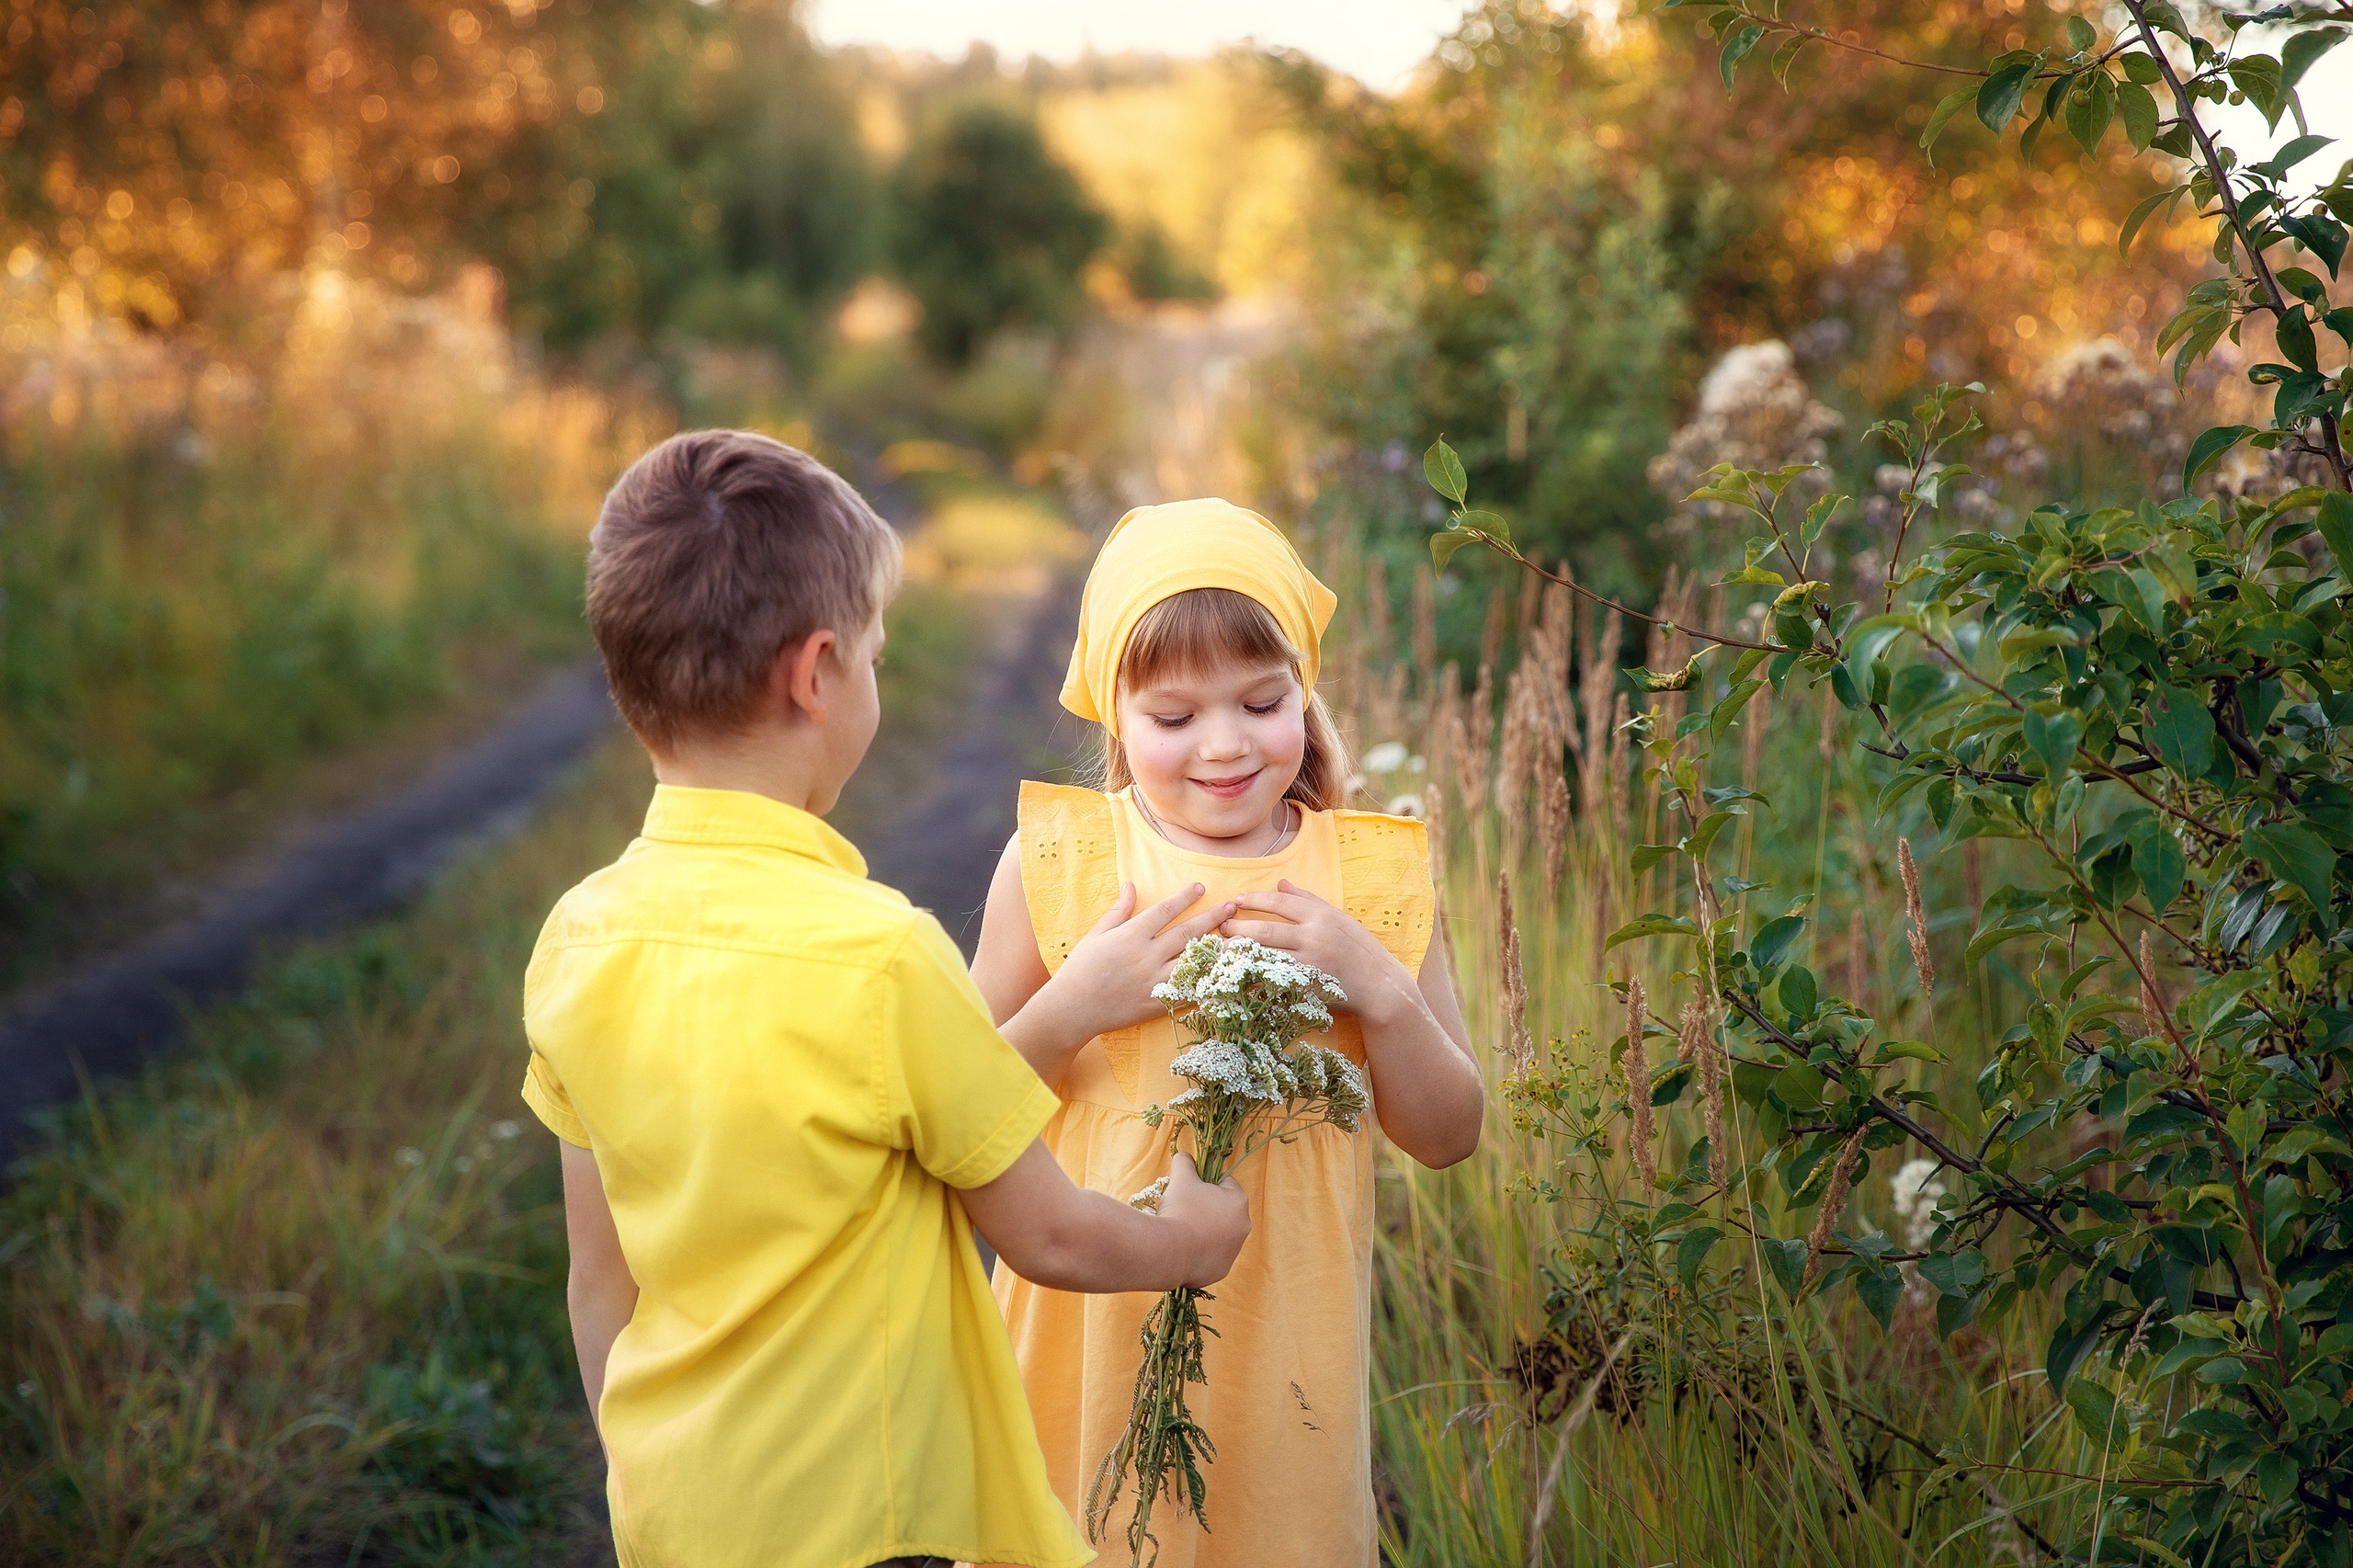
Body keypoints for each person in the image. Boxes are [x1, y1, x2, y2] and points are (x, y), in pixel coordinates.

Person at [518, 432, 1251, 1568]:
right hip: (871, 1517)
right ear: (816, 675)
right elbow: (1048, 1231)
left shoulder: (576, 940)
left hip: (677, 1508)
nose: (873, 675)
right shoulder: (884, 955)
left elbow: (598, 1274)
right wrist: (1188, 1244)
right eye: (873, 652)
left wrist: (638, 1465)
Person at [968, 498, 1486, 1567]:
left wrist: (1377, 986)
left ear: (1305, 688)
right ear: (1114, 713)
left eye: (1260, 701)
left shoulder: (1375, 876)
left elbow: (1448, 1132)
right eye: (1172, 717)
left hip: (1284, 1353)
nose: (1223, 745)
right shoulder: (1063, 861)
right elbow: (958, 1108)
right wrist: (1079, 1003)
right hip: (1088, 1337)